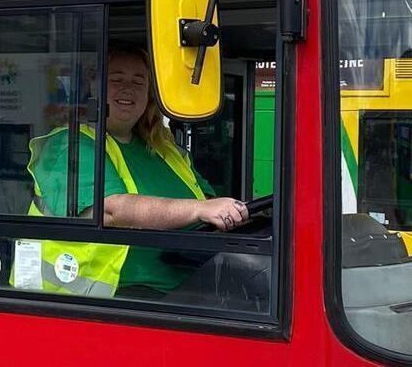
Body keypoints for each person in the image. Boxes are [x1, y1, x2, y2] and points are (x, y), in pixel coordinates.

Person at [22, 45, 250, 298]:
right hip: (106, 299)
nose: (128, 88)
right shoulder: (70, 144)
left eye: (138, 82)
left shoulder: (162, 147)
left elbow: (208, 202)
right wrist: (198, 210)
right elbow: (111, 209)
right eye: (116, 79)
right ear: (93, 87)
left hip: (189, 284)